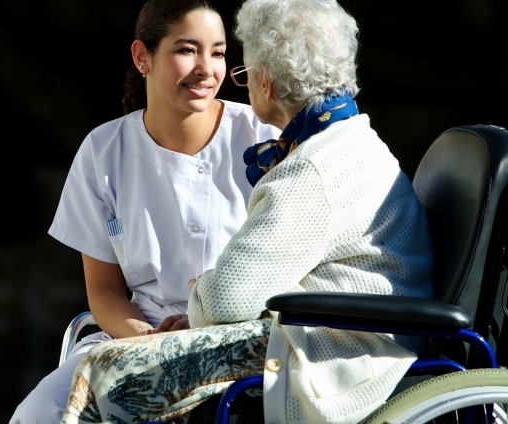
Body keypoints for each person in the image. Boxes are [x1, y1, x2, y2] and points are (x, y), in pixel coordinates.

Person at [59, 0, 434, 423]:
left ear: (268, 82)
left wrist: (194, 306)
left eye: (241, 68)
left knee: (114, 374)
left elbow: (226, 298)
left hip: (332, 350)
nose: (229, 77)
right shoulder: (347, 141)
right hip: (345, 330)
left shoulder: (309, 169)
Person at [9, 0, 280, 423]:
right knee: (40, 413)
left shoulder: (265, 139)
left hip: (241, 332)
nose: (206, 68)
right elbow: (104, 290)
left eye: (219, 52)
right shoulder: (103, 151)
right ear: (142, 57)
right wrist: (149, 338)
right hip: (139, 334)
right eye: (187, 50)